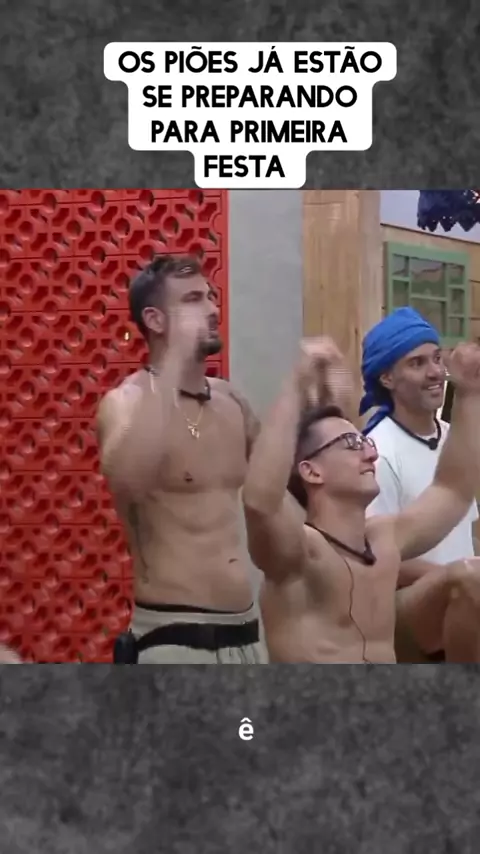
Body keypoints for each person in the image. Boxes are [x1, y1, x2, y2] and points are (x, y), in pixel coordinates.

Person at [242, 337, 480, 663]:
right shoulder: (299, 552)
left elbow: (452, 490)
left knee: (472, 575)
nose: (371, 453)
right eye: (352, 444)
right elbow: (260, 502)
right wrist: (295, 386)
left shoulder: (384, 540)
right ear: (312, 471)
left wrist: (469, 392)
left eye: (366, 443)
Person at [96, 255, 266, 664]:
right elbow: (129, 482)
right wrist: (174, 360)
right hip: (173, 634)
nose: (212, 309)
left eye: (210, 297)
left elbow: (276, 488)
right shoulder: (125, 402)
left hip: (245, 631)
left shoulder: (231, 401)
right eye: (192, 300)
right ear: (155, 320)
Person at [360, 307, 479, 661]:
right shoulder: (375, 451)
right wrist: (457, 577)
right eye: (417, 363)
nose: (435, 372)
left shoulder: (455, 438)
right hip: (406, 613)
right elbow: (375, 555)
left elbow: (469, 527)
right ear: (387, 378)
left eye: (437, 359)